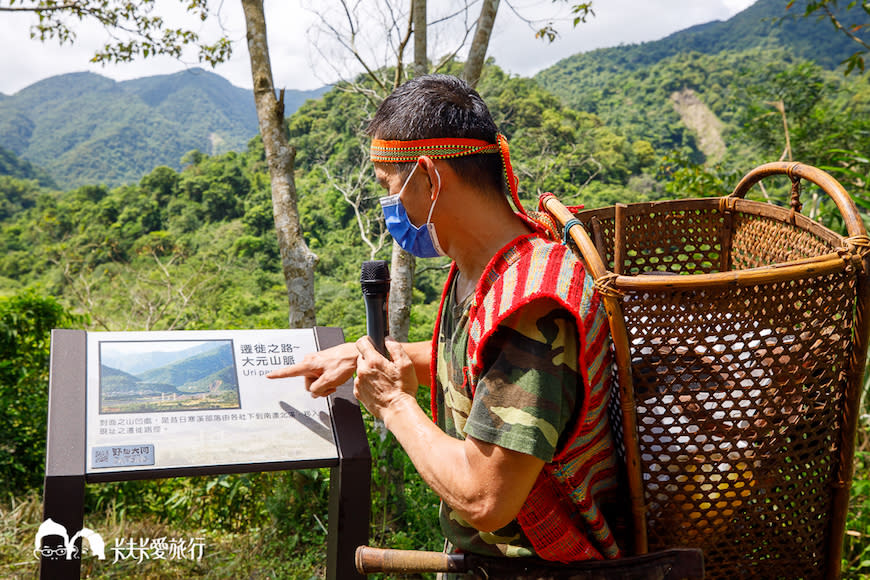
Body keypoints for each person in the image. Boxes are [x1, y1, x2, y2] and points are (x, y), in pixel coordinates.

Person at [267, 74, 624, 570]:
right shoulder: (488, 265)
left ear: (430, 178)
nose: (387, 207)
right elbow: (485, 364)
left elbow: (485, 498)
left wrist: (393, 404)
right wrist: (377, 355)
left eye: (388, 186)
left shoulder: (530, 308)